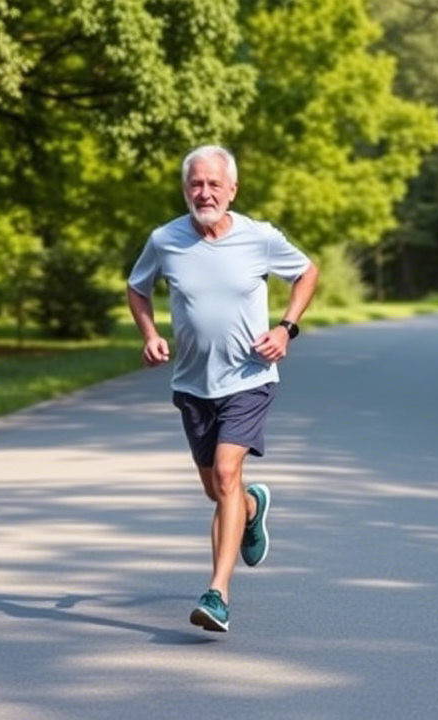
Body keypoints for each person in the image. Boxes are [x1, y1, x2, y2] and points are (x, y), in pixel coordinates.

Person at [126, 145, 319, 632]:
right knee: (218, 489)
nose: (204, 192)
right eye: (196, 183)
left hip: (249, 378)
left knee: (228, 473)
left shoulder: (260, 238)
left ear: (232, 190)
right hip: (193, 383)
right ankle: (253, 508)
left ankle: (218, 594)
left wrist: (285, 328)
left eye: (214, 184)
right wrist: (150, 334)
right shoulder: (165, 240)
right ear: (185, 189)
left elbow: (306, 272)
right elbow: (137, 287)